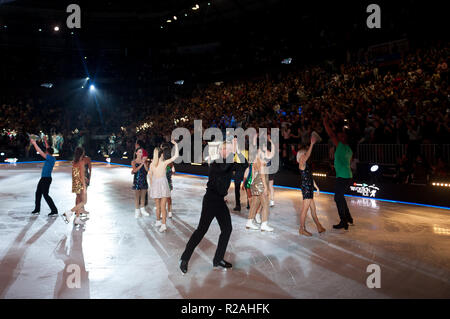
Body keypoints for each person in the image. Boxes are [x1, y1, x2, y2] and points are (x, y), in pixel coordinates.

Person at [180, 138, 237, 274]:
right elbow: (223, 168)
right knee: (201, 230)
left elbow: (241, 167)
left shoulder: (228, 162)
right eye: (225, 149)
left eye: (229, 149)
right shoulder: (216, 162)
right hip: (211, 200)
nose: (227, 151)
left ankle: (218, 260)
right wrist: (233, 152)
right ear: (220, 150)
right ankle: (184, 258)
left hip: (220, 201)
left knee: (227, 228)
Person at [323, 113, 354, 230]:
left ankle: (343, 221)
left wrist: (325, 123)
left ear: (343, 138)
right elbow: (348, 162)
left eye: (340, 135)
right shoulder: (349, 149)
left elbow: (331, 134)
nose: (337, 136)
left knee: (337, 198)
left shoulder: (340, 145)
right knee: (340, 197)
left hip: (342, 176)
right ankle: (349, 218)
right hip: (347, 175)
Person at [297, 136, 326, 236]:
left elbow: (310, 177)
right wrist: (312, 144)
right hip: (306, 189)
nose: (305, 155)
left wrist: (316, 187)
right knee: (305, 210)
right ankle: (302, 229)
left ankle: (319, 226)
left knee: (313, 209)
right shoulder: (301, 163)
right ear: (301, 156)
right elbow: (308, 155)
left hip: (309, 188)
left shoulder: (305, 164)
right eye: (304, 154)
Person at [149, 140, 179, 232]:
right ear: (160, 155)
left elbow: (150, 177)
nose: (163, 155)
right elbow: (176, 156)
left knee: (158, 206)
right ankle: (162, 224)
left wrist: (152, 187)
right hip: (162, 185)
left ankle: (159, 222)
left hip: (156, 185)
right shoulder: (163, 163)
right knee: (162, 206)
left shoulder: (152, 165)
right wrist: (176, 145)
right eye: (162, 154)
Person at [242, 153, 274, 232]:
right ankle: (264, 224)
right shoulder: (262, 164)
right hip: (261, 186)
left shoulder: (254, 163)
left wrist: (252, 185)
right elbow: (263, 177)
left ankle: (249, 222)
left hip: (255, 185)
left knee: (254, 205)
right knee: (265, 205)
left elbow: (252, 176)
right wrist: (266, 188)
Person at [30, 136, 58, 217]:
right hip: (43, 179)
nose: (45, 152)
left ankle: (54, 210)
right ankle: (37, 209)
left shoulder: (50, 158)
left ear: (47, 152)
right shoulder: (50, 156)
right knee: (38, 193)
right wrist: (45, 140)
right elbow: (48, 148)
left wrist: (34, 143)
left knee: (45, 195)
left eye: (46, 151)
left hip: (46, 179)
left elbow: (40, 152)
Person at [62, 147, 88, 226]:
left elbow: (75, 174)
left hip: (75, 183)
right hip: (80, 183)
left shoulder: (74, 162)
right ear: (82, 153)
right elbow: (82, 176)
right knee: (84, 201)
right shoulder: (81, 162)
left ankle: (77, 218)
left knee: (78, 200)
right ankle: (69, 212)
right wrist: (84, 188)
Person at [132, 148, 150, 218]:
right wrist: (141, 164)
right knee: (137, 197)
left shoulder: (145, 161)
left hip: (144, 180)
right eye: (139, 152)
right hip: (137, 181)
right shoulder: (133, 161)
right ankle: (137, 211)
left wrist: (144, 163)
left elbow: (147, 170)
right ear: (136, 153)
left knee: (143, 196)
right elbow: (135, 170)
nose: (140, 154)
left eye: (141, 152)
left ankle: (143, 210)